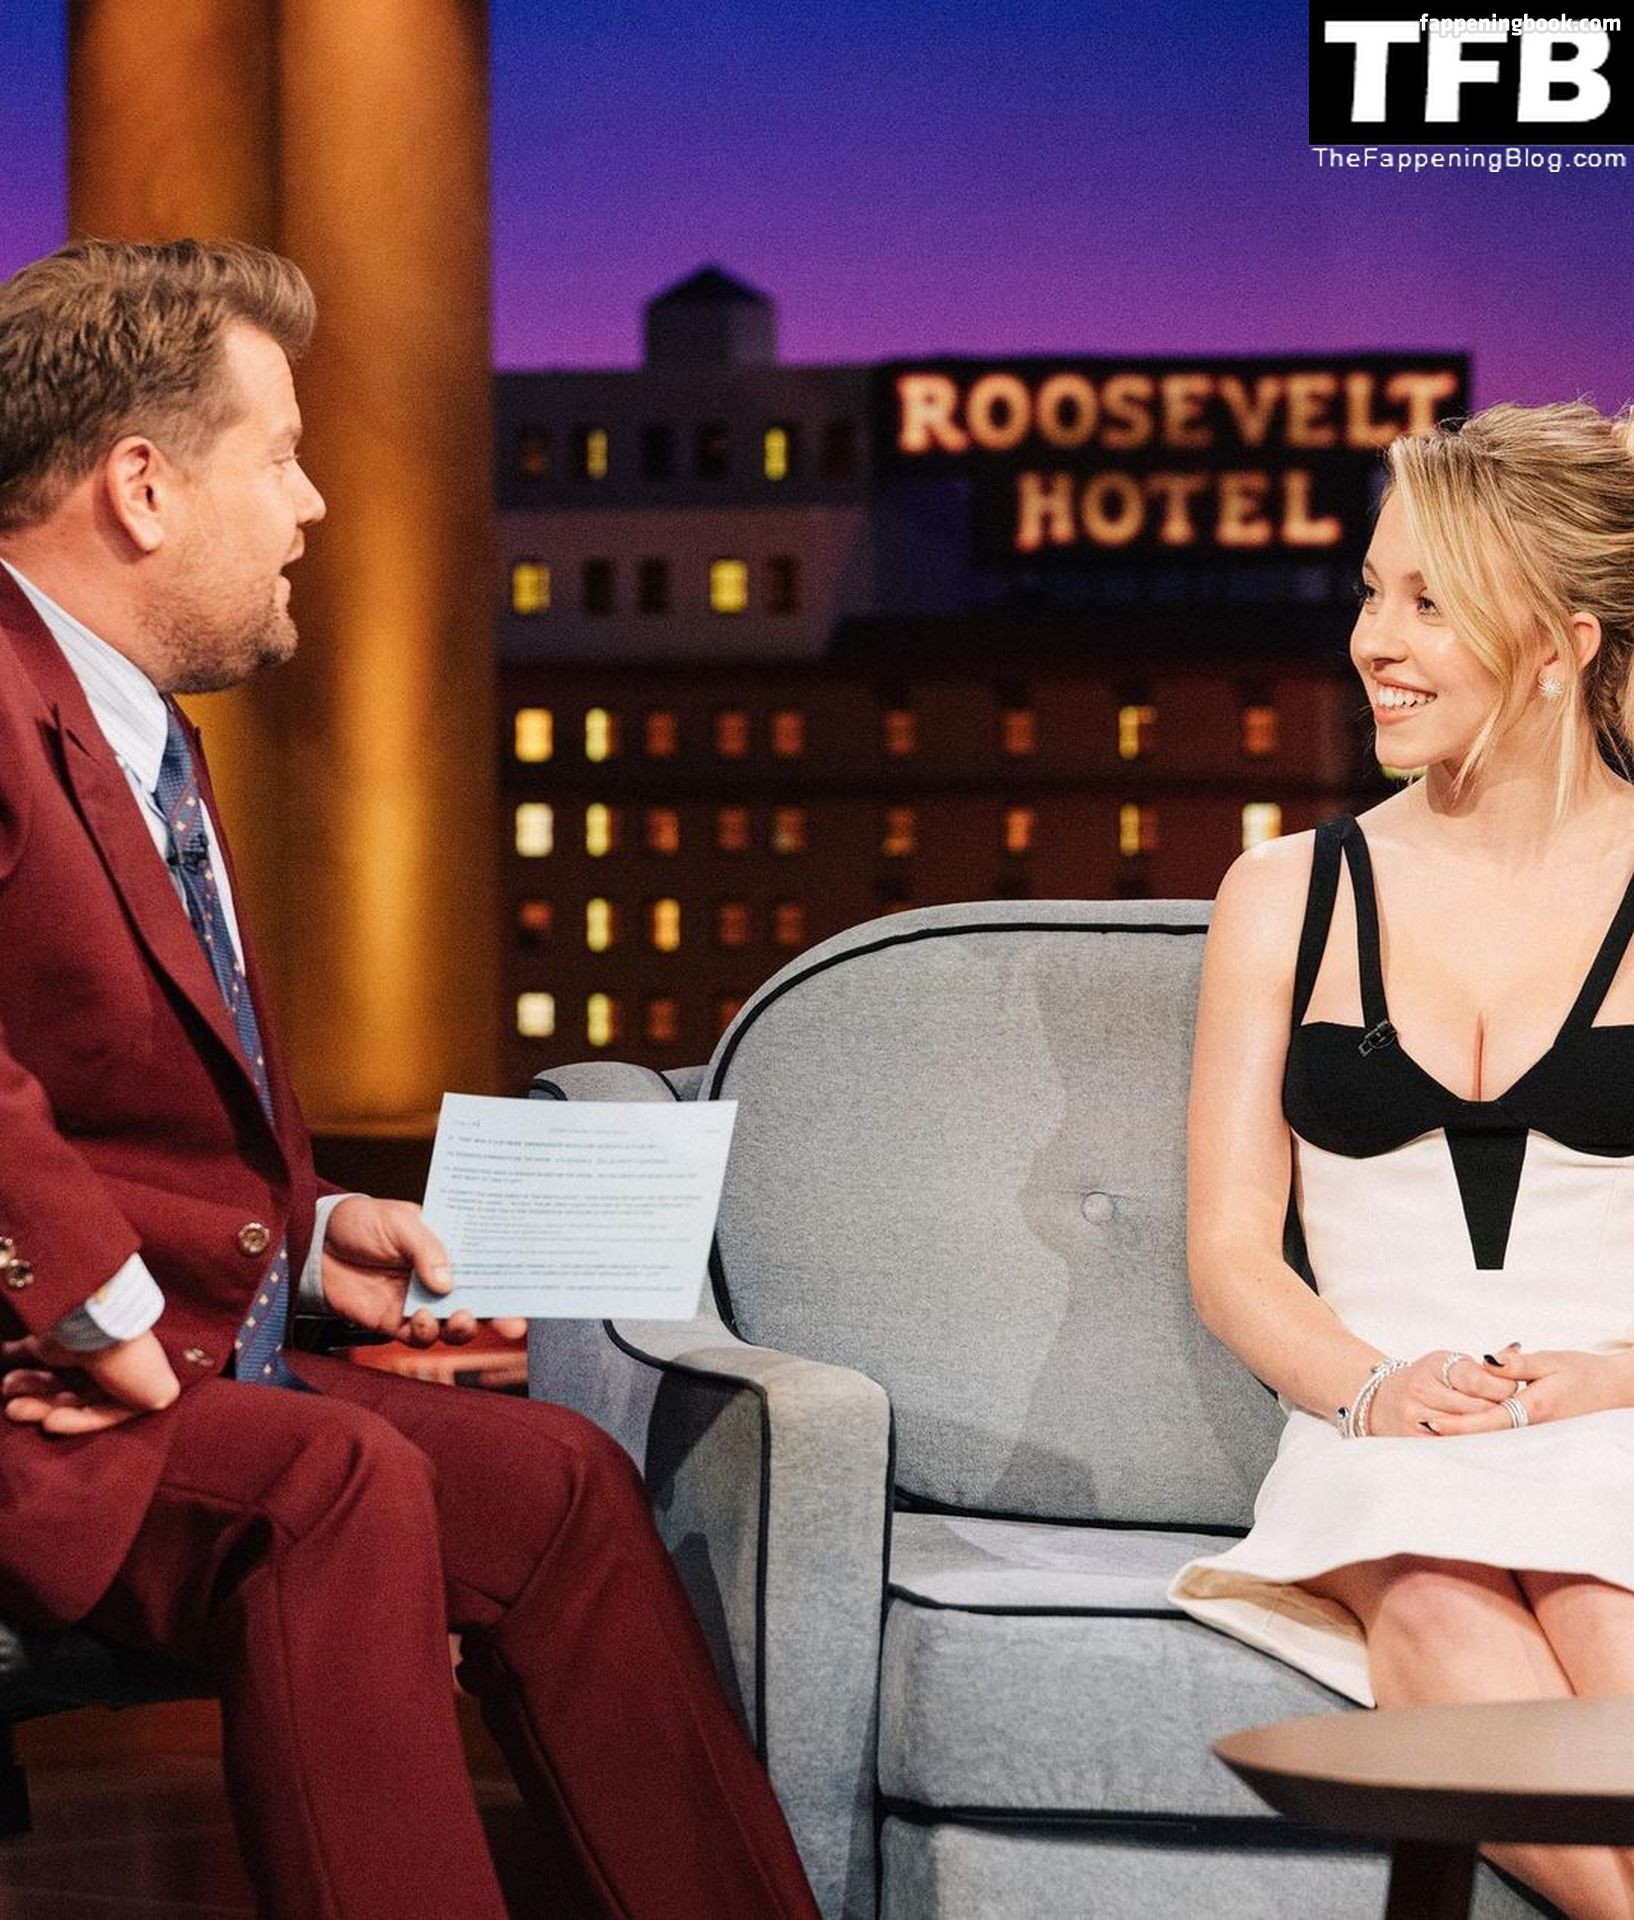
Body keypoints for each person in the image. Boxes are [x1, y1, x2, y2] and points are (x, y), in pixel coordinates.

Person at [0, 238, 818, 1920]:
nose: (311, 509)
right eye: (281, 458)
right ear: (142, 486)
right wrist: (97, 1311)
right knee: (335, 1483)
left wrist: (309, 1238)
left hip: (160, 1347)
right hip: (38, 1381)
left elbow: (107, 1105)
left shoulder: (136, 728)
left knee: (557, 1486)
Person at [1169, 400, 1634, 1920]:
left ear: (1559, 647)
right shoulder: (1282, 892)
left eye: (1431, 603)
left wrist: (1613, 1378)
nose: (1375, 640)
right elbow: (1231, 1251)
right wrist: (1369, 1390)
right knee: (1430, 1591)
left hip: (1621, 1413)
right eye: (1373, 592)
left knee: (1603, 1602)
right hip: (1381, 1433)